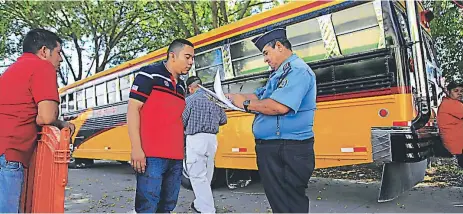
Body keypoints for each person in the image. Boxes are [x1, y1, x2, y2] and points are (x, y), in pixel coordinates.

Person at [227, 28, 317, 213]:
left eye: (266, 53)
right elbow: (259, 96)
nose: (265, 59)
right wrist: (229, 97)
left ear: (279, 46)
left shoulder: (297, 71)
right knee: (281, 203)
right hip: (277, 147)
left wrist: (244, 104)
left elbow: (278, 106)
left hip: (287, 148)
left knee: (289, 204)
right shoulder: (278, 74)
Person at [0, 28, 75, 213]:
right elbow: (46, 116)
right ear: (44, 51)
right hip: (10, 152)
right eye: (58, 52)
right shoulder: (42, 66)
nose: (61, 59)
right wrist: (62, 123)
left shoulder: (12, 70)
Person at [127, 39, 194, 213]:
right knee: (148, 207)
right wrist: (136, 149)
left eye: (192, 58)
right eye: (187, 57)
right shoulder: (148, 74)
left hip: (176, 157)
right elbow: (133, 110)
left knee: (167, 207)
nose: (191, 62)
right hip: (151, 156)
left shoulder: (181, 86)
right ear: (172, 55)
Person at [182, 76, 227, 213]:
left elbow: (182, 120)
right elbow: (224, 120)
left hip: (196, 139)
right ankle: (199, 204)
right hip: (212, 140)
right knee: (207, 175)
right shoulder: (214, 99)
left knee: (196, 176)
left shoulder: (189, 100)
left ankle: (208, 210)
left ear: (190, 88)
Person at [437, 81, 463, 167]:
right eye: (456, 91)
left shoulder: (447, 103)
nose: (459, 93)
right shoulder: (451, 104)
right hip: (458, 144)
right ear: (448, 92)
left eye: (461, 91)